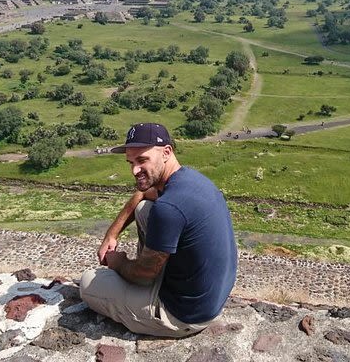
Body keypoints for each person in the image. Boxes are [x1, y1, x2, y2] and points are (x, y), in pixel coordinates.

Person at [80, 123, 238, 338]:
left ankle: (148, 291)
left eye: (142, 160)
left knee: (88, 282)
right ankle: (148, 273)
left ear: (166, 152)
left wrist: (119, 263)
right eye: (131, 162)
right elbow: (142, 195)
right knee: (145, 209)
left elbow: (143, 276)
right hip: (209, 295)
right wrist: (112, 233)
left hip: (184, 315)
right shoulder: (189, 179)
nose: (134, 170)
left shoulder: (169, 208)